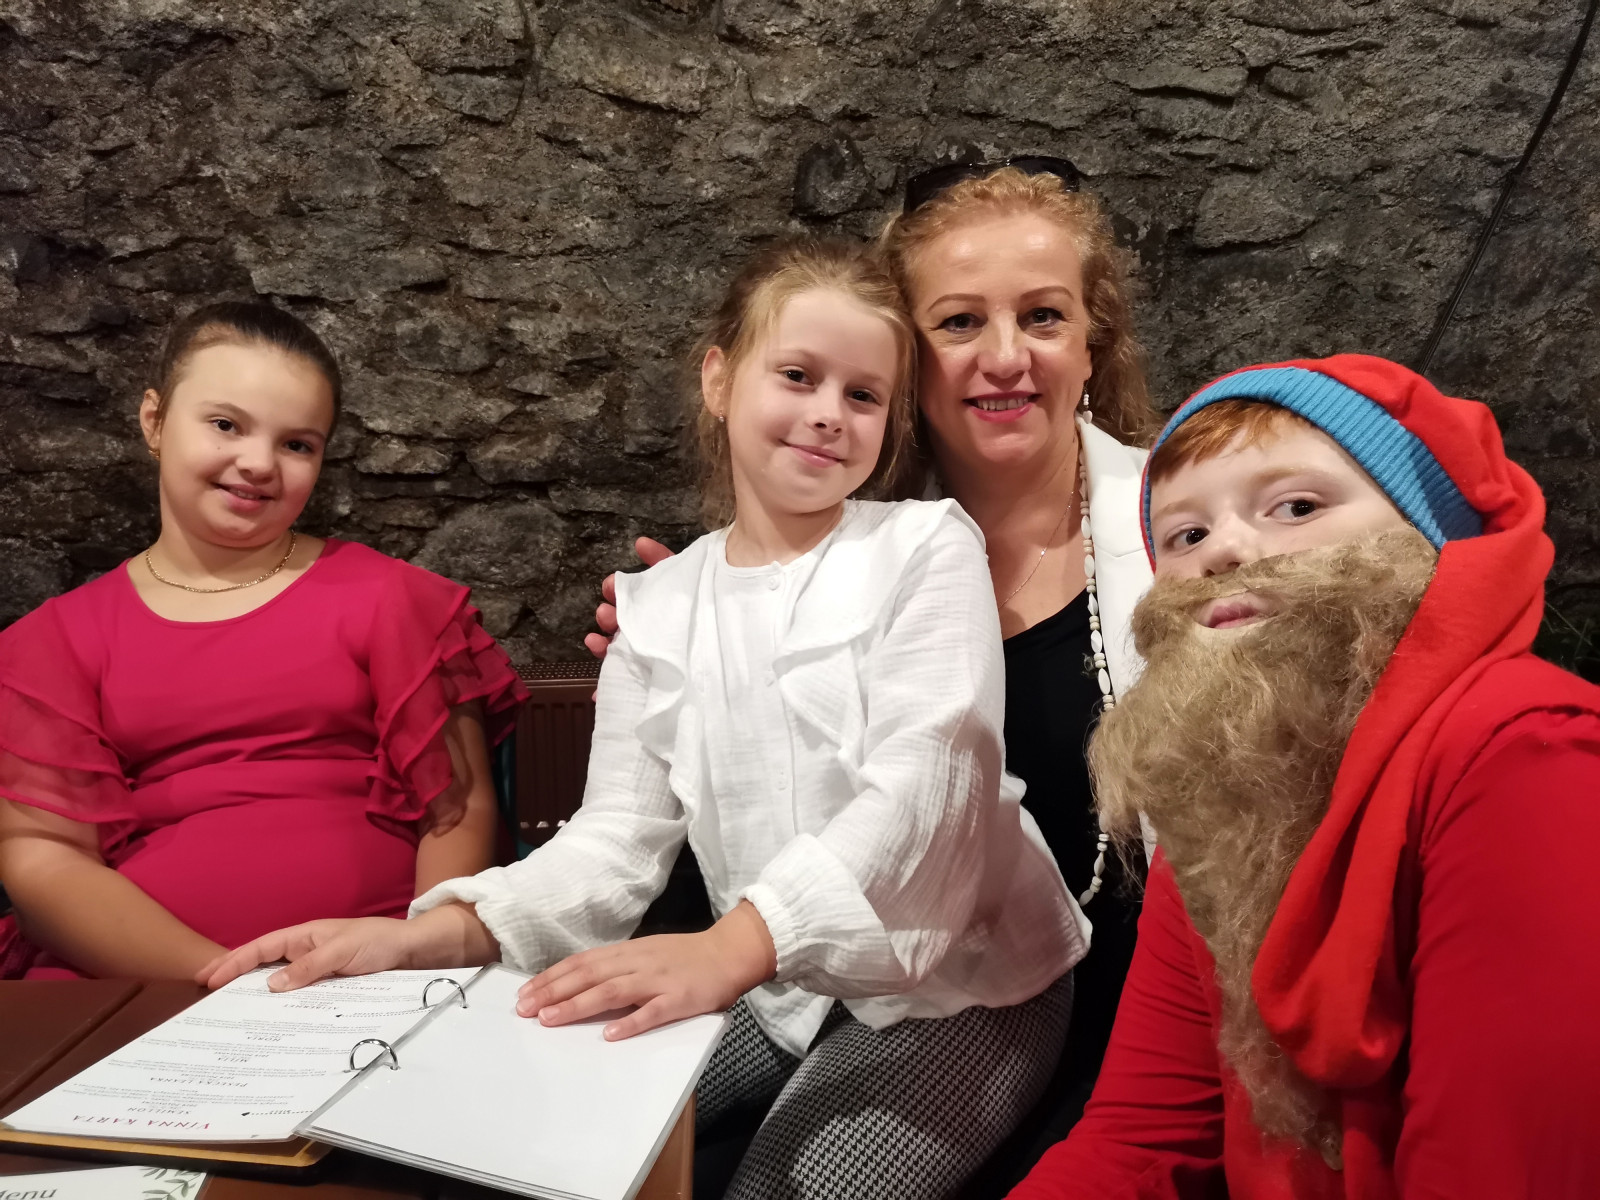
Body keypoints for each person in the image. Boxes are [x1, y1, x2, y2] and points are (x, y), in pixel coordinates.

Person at [200, 239, 1089, 1200]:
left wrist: (728, 948)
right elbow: (617, 839)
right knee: (511, 1137)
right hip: (777, 983)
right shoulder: (658, 604)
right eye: (798, 375)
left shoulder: (925, 546)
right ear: (719, 380)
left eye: (864, 394)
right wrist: (437, 932)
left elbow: (930, 784)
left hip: (964, 984)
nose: (829, 412)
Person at [589, 165, 1161, 1182]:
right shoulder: (848, 546)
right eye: (958, 322)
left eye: (1043, 316)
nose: (1004, 356)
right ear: (906, 359)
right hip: (862, 993)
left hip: (1117, 1016)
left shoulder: (1182, 529)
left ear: (1091, 342)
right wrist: (709, 668)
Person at [1012, 354, 1600, 1199]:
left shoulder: (1525, 754)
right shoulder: (1229, 806)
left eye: (1296, 506)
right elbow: (1142, 1136)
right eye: (1186, 535)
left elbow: (1499, 1168)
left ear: (1430, 537)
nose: (1226, 550)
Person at [0, 301, 526, 981]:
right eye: (225, 425)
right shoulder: (54, 639)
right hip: (133, 985)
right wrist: (225, 982)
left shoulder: (392, 598)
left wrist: (419, 958)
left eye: (297, 444)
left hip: (374, 976)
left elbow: (456, 811)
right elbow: (44, 861)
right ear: (154, 420)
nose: (258, 463)